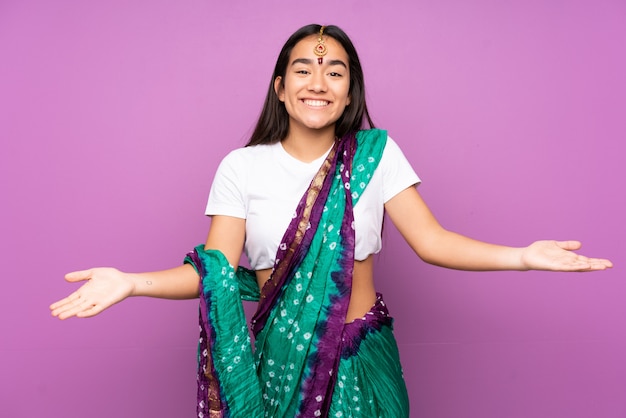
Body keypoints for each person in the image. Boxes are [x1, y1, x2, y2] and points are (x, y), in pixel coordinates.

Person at [50, 24, 612, 418]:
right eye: (303, 69)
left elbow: (433, 242)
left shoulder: (375, 155)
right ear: (280, 87)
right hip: (278, 359)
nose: (318, 82)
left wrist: (522, 256)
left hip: (362, 356)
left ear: (348, 94)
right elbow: (215, 273)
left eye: (334, 72)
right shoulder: (242, 167)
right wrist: (129, 282)